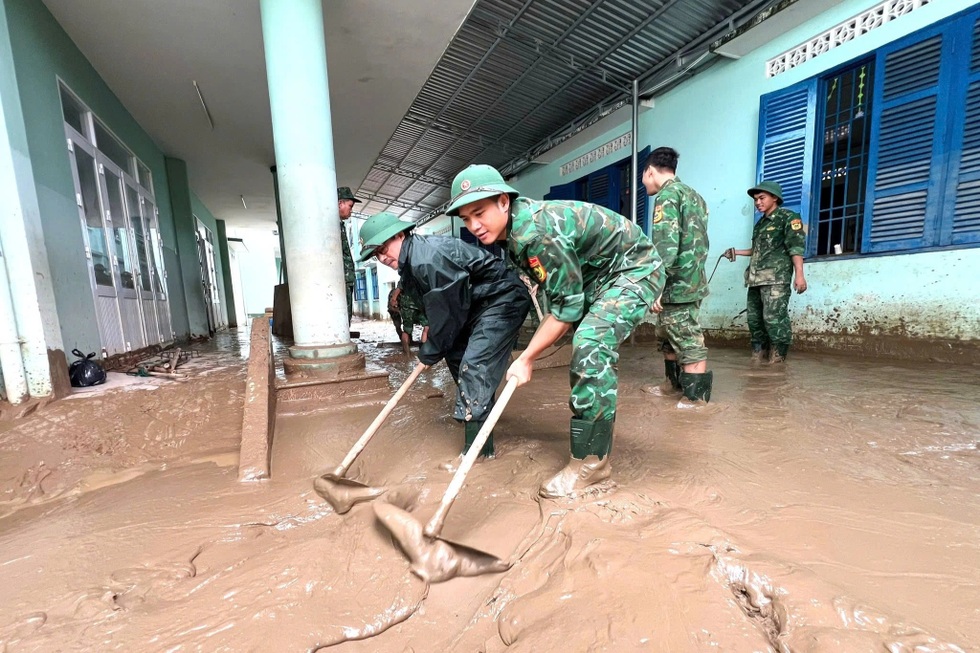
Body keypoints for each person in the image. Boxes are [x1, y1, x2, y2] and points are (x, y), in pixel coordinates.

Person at [446, 164, 664, 499]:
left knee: (591, 344)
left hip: (634, 269)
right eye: (465, 218)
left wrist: (527, 358)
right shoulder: (516, 232)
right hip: (599, 276)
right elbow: (562, 295)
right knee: (586, 345)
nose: (474, 225)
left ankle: (592, 466)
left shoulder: (535, 234)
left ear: (503, 201)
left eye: (479, 213)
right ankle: (594, 445)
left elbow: (566, 309)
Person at [358, 212, 530, 458]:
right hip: (472, 304)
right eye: (377, 254)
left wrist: (429, 351)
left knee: (475, 365)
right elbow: (440, 310)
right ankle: (479, 414)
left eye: (384, 248)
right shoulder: (409, 265)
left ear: (400, 235)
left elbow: (448, 314)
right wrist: (436, 347)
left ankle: (478, 454)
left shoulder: (426, 259)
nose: (383, 257)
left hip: (502, 299)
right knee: (456, 355)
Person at [640, 147, 713, 403]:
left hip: (676, 283)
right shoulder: (695, 196)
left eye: (643, 175)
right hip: (691, 278)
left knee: (687, 338)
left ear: (650, 171)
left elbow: (666, 246)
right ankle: (672, 386)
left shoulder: (667, 196)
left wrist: (656, 285)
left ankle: (696, 399)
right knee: (668, 336)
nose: (643, 181)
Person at [724, 181, 807, 363]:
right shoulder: (760, 224)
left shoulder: (789, 218)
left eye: (762, 198)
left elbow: (796, 248)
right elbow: (758, 250)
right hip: (755, 279)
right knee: (755, 320)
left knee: (774, 319)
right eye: (756, 200)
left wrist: (800, 275)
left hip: (775, 279)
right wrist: (736, 251)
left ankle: (778, 360)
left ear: (775, 198)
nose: (758, 203)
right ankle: (758, 357)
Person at [388, 281, 429, 355]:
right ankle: (411, 351)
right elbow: (392, 305)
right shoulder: (418, 277)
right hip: (410, 307)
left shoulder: (406, 278)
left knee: (408, 329)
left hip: (410, 307)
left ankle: (408, 353)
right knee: (403, 328)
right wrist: (397, 307)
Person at [337, 186, 359, 323]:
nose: (351, 210)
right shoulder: (332, 225)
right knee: (343, 316)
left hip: (345, 279)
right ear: (340, 203)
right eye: (350, 206)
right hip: (341, 280)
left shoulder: (339, 225)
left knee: (346, 315)